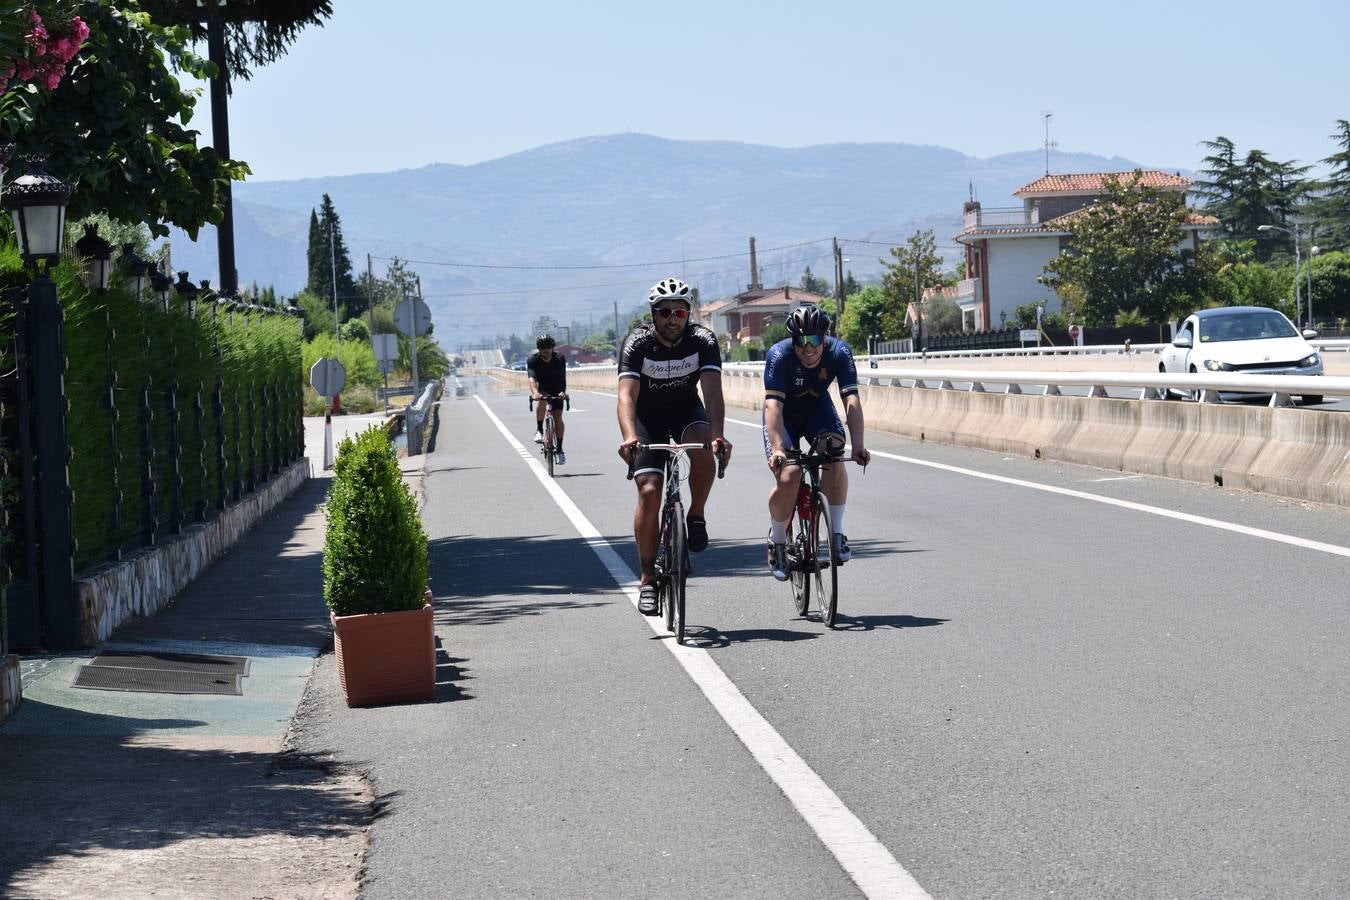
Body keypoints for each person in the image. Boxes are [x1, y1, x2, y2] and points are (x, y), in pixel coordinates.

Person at [617, 277, 732, 615]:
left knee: (702, 443)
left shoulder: (703, 340)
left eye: (680, 312)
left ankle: (695, 515)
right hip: (646, 419)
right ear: (653, 315)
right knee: (650, 491)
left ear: (688, 314)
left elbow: (712, 393)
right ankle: (648, 577)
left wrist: (719, 434)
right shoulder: (637, 343)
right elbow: (626, 395)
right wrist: (629, 436)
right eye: (664, 312)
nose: (672, 318)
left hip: (685, 410)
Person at [762, 304, 870, 581]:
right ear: (792, 340)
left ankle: (836, 534)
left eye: (814, 340)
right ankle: (777, 541)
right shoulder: (779, 355)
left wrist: (858, 444)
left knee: (834, 453)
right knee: (790, 474)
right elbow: (772, 406)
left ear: (824, 337)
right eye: (800, 340)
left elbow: (851, 400)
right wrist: (777, 449)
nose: (808, 348)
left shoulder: (839, 352)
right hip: (784, 416)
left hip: (817, 411)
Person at [527, 334, 568, 465]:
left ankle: (560, 450)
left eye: (549, 347)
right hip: (542, 387)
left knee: (558, 418)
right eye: (543, 347)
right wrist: (534, 393)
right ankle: (539, 430)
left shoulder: (559, 358)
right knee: (542, 400)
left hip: (557, 387)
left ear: (553, 348)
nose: (546, 350)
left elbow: (562, 377)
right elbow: (531, 379)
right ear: (539, 349)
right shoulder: (533, 360)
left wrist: (562, 392)